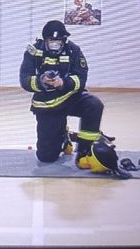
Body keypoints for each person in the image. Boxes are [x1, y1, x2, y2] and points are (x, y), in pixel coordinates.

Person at [19, 20, 103, 168]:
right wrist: (41, 81)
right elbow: (25, 80)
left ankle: (84, 152)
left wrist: (64, 83)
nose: (55, 44)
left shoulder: (73, 50)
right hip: (47, 104)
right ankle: (63, 137)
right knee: (46, 157)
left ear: (64, 40)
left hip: (70, 97)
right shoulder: (33, 51)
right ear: (45, 39)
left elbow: (81, 78)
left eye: (58, 41)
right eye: (51, 40)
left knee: (94, 105)